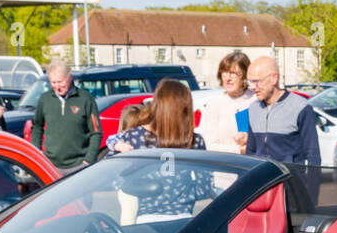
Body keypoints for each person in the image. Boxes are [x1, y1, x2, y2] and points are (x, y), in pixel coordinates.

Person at [109, 79, 211, 223]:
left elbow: (109, 174)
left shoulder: (134, 137)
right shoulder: (193, 140)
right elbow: (204, 188)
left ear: (156, 104)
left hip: (143, 221)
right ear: (185, 108)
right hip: (183, 219)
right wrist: (184, 192)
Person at [243, 55, 319, 165]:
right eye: (249, 82)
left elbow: (313, 155)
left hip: (291, 180)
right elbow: (250, 151)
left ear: (274, 78)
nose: (252, 87)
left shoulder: (301, 107)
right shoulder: (253, 109)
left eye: (256, 81)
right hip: (262, 180)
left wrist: (312, 182)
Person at [29, 59, 102, 171]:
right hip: (50, 165)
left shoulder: (85, 99)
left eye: (60, 82)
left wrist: (88, 160)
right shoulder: (45, 99)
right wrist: (37, 153)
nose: (57, 87)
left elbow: (96, 132)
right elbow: (37, 127)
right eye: (53, 83)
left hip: (79, 165)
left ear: (70, 78)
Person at [201, 51, 256, 154]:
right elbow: (209, 145)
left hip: (252, 165)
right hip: (223, 166)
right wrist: (240, 150)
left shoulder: (256, 100)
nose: (228, 78)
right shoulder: (214, 104)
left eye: (233, 73)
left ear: (244, 76)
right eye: (224, 72)